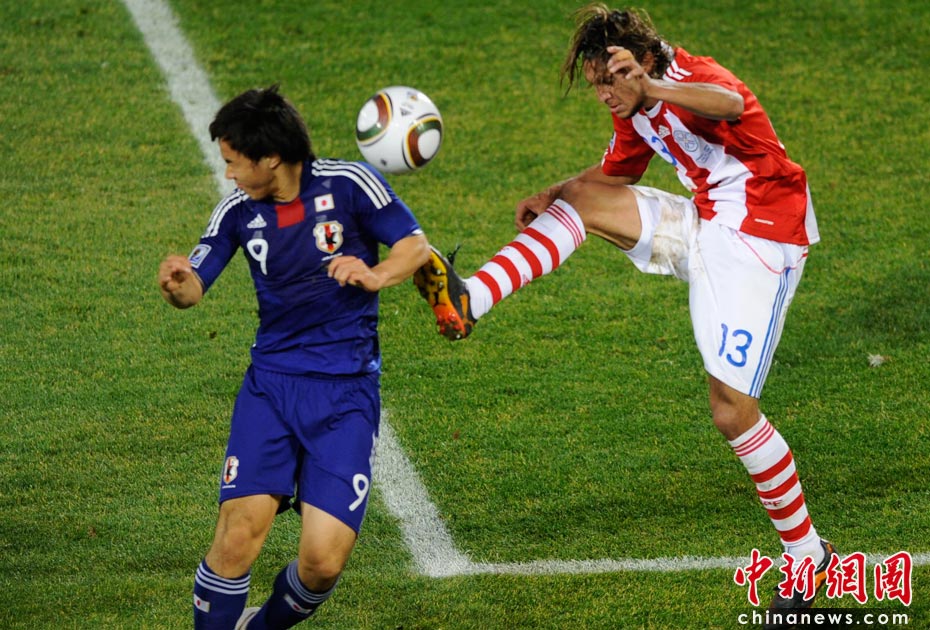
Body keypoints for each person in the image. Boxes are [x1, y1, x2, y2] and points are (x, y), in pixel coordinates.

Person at [414, 5, 832, 627]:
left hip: (762, 239)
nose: (606, 96)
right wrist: (553, 192)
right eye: (597, 86)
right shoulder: (634, 105)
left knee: (731, 412)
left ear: (644, 60)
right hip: (707, 222)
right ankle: (472, 298)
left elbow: (728, 105)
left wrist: (652, 86)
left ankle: (807, 554)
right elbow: (620, 171)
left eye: (611, 81)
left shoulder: (689, 78)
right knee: (583, 198)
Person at [158, 85, 429, 630]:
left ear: (271, 158)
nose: (229, 174)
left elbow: (414, 246)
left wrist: (375, 274)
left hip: (346, 396)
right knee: (237, 537)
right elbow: (193, 289)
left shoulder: (349, 184)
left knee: (323, 563)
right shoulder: (238, 210)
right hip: (272, 389)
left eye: (234, 162)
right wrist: (178, 284)